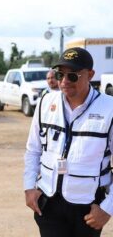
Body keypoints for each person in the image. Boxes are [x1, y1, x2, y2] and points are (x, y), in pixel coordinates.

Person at [24, 47, 113, 237]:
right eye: (59, 74)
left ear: (90, 75)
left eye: (72, 76)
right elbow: (33, 150)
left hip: (88, 207)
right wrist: (29, 187)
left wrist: (108, 208)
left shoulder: (109, 109)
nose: (64, 82)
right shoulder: (45, 103)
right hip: (48, 202)